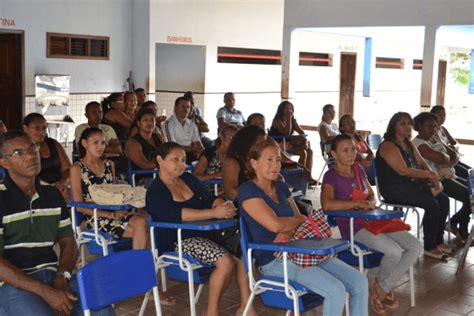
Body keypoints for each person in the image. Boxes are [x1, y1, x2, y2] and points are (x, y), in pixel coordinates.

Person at [239, 138, 368, 316]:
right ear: (254, 163)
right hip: (275, 260)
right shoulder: (247, 191)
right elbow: (275, 224)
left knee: (359, 281)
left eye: (277, 160)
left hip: (300, 250)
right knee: (335, 290)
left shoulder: (281, 187)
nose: (275, 165)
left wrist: (288, 228)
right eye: (269, 160)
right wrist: (289, 223)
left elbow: (300, 219)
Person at [0, 130, 114, 315]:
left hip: (53, 274)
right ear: (4, 162)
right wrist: (46, 292)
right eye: (18, 153)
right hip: (12, 283)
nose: (31, 155)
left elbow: (69, 242)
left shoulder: (52, 194)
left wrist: (62, 277)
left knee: (102, 309)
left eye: (32, 148)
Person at [146, 142, 256, 316]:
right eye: (175, 159)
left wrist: (224, 206)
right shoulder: (155, 191)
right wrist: (213, 212)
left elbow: (209, 198)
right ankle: (211, 312)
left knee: (244, 247)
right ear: (160, 160)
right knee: (225, 261)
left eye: (183, 160)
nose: (181, 164)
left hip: (207, 232)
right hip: (179, 241)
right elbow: (179, 214)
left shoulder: (189, 179)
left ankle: (246, 304)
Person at [321, 134, 422, 315]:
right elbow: (327, 204)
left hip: (372, 220)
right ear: (334, 154)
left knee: (415, 246)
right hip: (353, 226)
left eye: (353, 149)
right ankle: (382, 290)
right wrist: (356, 204)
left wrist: (368, 201)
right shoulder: (331, 176)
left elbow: (371, 194)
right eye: (345, 150)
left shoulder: (358, 169)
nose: (351, 154)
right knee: (394, 251)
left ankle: (382, 287)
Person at [375, 112, 451, 260]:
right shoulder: (388, 145)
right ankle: (430, 247)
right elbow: (403, 170)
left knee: (443, 200)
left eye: (409, 123)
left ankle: (438, 240)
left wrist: (432, 175)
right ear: (393, 127)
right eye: (402, 123)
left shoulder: (408, 143)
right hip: (393, 188)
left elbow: (422, 163)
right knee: (432, 205)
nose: (407, 126)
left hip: (410, 185)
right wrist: (430, 176)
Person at [70, 127, 150, 249]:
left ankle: (137, 263)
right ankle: (139, 264)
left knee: (143, 221)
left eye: (103, 142)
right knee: (143, 232)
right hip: (94, 217)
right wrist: (110, 215)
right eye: (95, 143)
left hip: (114, 212)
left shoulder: (109, 164)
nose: (100, 147)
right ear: (84, 143)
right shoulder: (77, 168)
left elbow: (114, 195)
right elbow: (79, 206)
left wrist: (118, 210)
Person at [412, 112, 471, 242]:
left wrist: (448, 158)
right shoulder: (419, 143)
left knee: (472, 193)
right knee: (469, 196)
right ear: (420, 126)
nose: (433, 129)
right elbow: (441, 158)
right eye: (429, 126)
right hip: (437, 180)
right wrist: (449, 159)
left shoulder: (433, 140)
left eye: (435, 126)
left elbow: (454, 155)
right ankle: (460, 227)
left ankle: (455, 223)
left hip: (449, 175)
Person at [22, 113, 71, 201]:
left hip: (60, 189)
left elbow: (68, 169)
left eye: (44, 128)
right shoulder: (21, 149)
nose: (42, 132)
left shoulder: (54, 144)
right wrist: (51, 189)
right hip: (36, 192)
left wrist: (62, 183)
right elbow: (24, 178)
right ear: (25, 128)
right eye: (37, 128)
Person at [269, 101, 315, 184]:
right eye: (286, 108)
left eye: (290, 108)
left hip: (289, 144)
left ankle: (308, 176)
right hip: (279, 144)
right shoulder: (277, 121)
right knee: (303, 153)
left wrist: (304, 141)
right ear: (281, 110)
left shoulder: (293, 121)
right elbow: (286, 132)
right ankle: (299, 176)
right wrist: (288, 118)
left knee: (309, 151)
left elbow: (302, 133)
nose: (289, 110)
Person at [223, 125, 266, 200]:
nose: (263, 147)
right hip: (244, 204)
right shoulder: (232, 162)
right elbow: (232, 194)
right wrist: (260, 182)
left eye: (265, 144)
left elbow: (279, 179)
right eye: (259, 144)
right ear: (247, 143)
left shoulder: (261, 159)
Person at [430, 105, 471, 179]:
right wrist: (452, 148)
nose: (443, 118)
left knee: (471, 171)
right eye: (440, 115)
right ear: (433, 116)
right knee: (468, 175)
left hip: (453, 158)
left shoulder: (443, 129)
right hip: (447, 163)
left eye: (444, 115)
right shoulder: (432, 132)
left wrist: (453, 148)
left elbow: (455, 143)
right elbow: (443, 148)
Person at [125, 109, 164, 186]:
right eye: (145, 120)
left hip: (161, 175)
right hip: (144, 179)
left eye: (152, 120)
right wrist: (166, 163)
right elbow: (145, 165)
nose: (149, 123)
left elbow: (168, 152)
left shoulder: (158, 137)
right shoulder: (133, 143)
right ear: (138, 123)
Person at [163, 96, 204, 164]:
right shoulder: (169, 124)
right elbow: (173, 147)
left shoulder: (191, 124)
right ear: (175, 108)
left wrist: (199, 150)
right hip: (175, 156)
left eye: (188, 107)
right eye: (183, 107)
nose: (186, 109)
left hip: (190, 155)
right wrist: (193, 148)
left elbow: (199, 145)